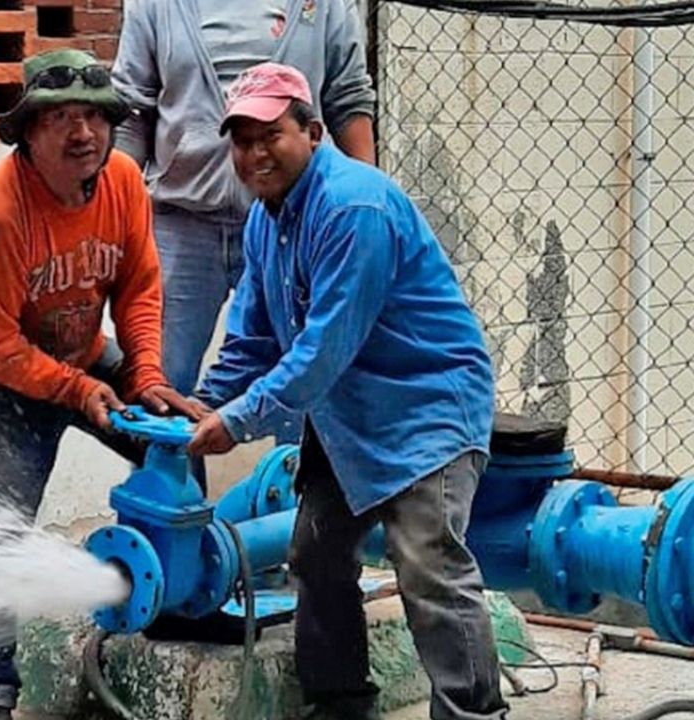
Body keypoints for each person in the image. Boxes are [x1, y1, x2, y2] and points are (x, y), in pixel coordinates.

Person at [188, 62, 507, 720]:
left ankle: (474, 714)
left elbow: (321, 351)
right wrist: (196, 404)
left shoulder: (353, 205)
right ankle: (338, 704)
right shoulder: (265, 219)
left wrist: (236, 422)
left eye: (269, 135)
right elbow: (252, 338)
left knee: (428, 564)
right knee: (315, 553)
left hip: (425, 406)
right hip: (347, 414)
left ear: (312, 131)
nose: (253, 154)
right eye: (241, 141)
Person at [0, 48, 198, 720]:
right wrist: (78, 390)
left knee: (174, 450)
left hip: (80, 353)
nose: (83, 133)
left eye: (94, 117)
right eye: (62, 120)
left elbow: (139, 286)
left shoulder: (123, 182)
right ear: (27, 131)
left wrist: (144, 374)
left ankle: (178, 599)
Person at [112, 0, 377, 407]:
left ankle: (291, 472)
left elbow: (348, 97)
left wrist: (369, 195)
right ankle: (169, 474)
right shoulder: (155, 5)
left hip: (291, 221)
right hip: (181, 225)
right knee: (160, 388)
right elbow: (131, 111)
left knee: (301, 381)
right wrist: (112, 216)